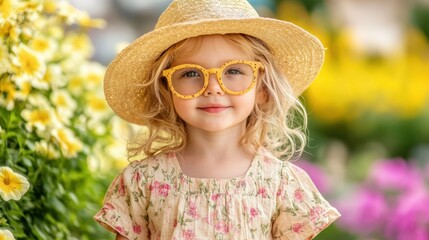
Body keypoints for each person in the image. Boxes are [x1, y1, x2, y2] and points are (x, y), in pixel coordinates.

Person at [94, 0, 340, 239]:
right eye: (191, 73)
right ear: (167, 91)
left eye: (233, 71)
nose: (212, 87)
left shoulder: (281, 184)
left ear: (262, 88)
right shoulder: (142, 181)